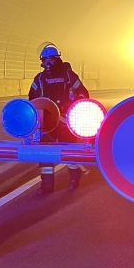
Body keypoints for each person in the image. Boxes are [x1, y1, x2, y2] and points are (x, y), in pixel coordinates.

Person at [28, 44, 89, 193]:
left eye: (51, 59)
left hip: (65, 122)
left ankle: (74, 179)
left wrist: (74, 102)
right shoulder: (40, 78)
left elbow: (83, 94)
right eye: (45, 60)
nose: (48, 63)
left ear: (57, 59)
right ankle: (47, 186)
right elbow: (32, 99)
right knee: (45, 155)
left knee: (69, 153)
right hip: (47, 123)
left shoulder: (68, 76)